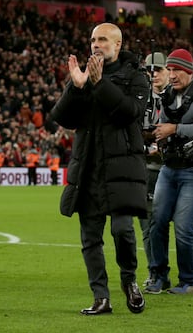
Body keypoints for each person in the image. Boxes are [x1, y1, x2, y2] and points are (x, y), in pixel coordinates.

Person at [51, 22, 148, 316]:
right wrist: (77, 88)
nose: (96, 44)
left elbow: (129, 114)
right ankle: (100, 296)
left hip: (121, 168)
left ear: (118, 45)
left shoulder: (135, 76)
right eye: (93, 39)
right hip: (88, 167)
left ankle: (129, 281)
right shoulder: (84, 76)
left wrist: (99, 83)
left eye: (103, 40)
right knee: (90, 238)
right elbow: (63, 117)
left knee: (122, 230)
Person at [146, 49, 193, 295]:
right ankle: (158, 276)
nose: (173, 75)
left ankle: (189, 281)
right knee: (156, 220)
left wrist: (174, 129)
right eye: (170, 70)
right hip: (171, 166)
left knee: (184, 223)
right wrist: (158, 135)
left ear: (189, 70)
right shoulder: (168, 95)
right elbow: (164, 127)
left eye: (176, 69)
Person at [139, 52, 168, 285]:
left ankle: (192, 259)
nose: (154, 74)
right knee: (148, 225)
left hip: (174, 170)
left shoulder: (180, 98)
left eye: (158, 69)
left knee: (182, 223)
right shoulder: (138, 99)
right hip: (146, 169)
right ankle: (155, 272)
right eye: (150, 70)